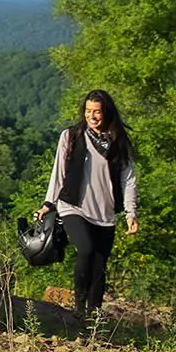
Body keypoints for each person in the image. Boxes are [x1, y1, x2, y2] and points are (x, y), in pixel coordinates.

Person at [35, 89, 139, 323]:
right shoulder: (71, 136)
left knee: (100, 264)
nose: (92, 116)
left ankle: (93, 316)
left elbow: (129, 178)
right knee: (86, 250)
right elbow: (58, 172)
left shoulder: (118, 141)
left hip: (105, 212)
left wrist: (131, 213)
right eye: (88, 111)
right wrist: (48, 203)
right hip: (73, 206)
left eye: (97, 112)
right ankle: (79, 308)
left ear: (106, 113)